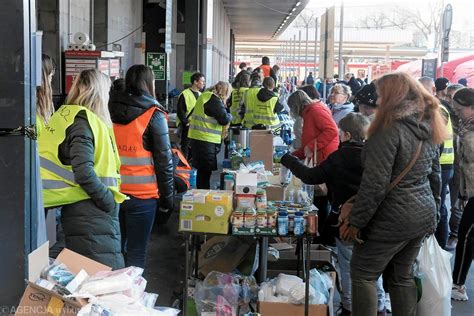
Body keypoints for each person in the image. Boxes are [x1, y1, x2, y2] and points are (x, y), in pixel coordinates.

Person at [345, 72, 444, 316]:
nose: (376, 98)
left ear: (391, 96)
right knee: (402, 275)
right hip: (421, 215)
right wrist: (435, 212)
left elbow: (374, 185)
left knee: (363, 274)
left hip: (391, 218)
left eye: (380, 93)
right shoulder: (427, 124)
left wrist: (356, 222)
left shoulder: (387, 130)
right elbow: (435, 176)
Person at [281, 113, 386, 315]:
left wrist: (289, 160)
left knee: (348, 266)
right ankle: (379, 306)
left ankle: (349, 307)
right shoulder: (377, 155)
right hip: (375, 219)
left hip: (346, 221)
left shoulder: (340, 157)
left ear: (346, 134)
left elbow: (311, 176)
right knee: (373, 267)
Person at [39, 69, 127, 269]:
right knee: (104, 274)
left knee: (84, 273)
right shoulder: (84, 122)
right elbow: (84, 171)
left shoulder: (70, 116)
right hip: (91, 209)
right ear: (99, 93)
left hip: (82, 208)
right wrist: (107, 201)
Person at [109, 65, 174, 268]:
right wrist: (168, 197)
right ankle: (131, 297)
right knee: (136, 252)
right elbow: (164, 161)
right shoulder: (154, 114)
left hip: (110, 192)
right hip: (142, 196)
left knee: (115, 249)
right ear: (149, 83)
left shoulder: (107, 109)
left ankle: (111, 296)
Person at [287, 90, 339, 236]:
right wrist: (294, 155)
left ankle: (322, 232)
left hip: (324, 159)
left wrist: (312, 146)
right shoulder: (310, 112)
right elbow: (308, 143)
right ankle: (321, 231)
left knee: (322, 197)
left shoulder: (315, 111)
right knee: (320, 198)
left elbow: (331, 131)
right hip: (320, 157)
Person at [419, 76, 454, 249]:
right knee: (436, 204)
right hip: (440, 163)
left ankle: (440, 245)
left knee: (438, 206)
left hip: (443, 164)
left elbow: (435, 140)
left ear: (433, 90)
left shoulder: (438, 109)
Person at [451, 88, 474, 301]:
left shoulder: (468, 130)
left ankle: (457, 283)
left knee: (466, 235)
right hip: (470, 190)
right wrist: (463, 192)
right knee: (467, 235)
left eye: (460, 109)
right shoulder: (464, 127)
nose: (457, 113)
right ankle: (457, 283)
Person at [188, 82, 232, 189]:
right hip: (205, 141)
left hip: (199, 139)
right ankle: (203, 197)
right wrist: (230, 116)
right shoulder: (214, 100)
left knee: (202, 172)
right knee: (205, 173)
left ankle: (201, 195)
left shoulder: (205, 96)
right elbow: (224, 119)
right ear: (224, 92)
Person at [36, 54, 56, 248]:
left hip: (41, 186)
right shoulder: (33, 111)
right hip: (35, 187)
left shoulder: (40, 108)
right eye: (50, 77)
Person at [446, 83, 467, 251]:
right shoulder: (449, 115)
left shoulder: (467, 123)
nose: (452, 104)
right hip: (450, 163)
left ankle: (455, 234)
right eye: (448, 97)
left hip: (461, 168)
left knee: (457, 202)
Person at [177, 72, 205, 159]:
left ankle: (192, 167)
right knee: (185, 148)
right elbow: (180, 111)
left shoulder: (201, 95)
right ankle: (185, 167)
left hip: (198, 127)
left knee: (196, 149)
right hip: (188, 127)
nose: (204, 84)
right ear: (195, 82)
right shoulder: (185, 94)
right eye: (202, 81)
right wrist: (186, 123)